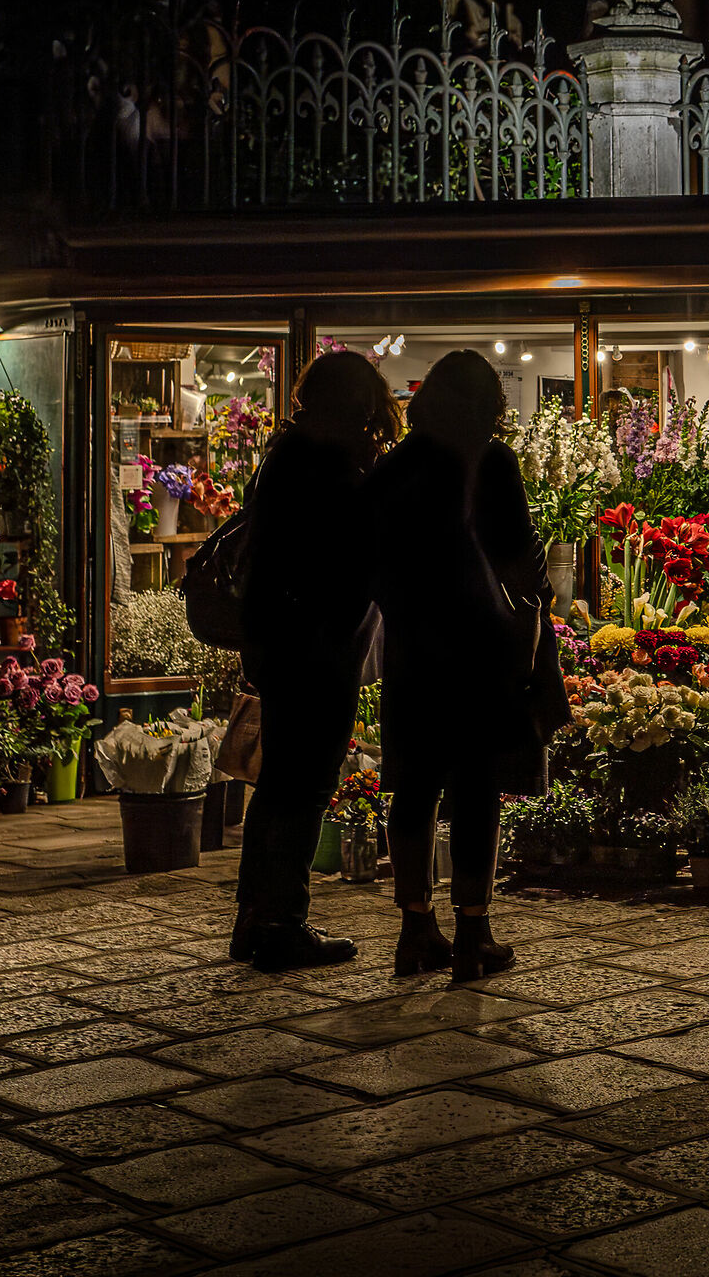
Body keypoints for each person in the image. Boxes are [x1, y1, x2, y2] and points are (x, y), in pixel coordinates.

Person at [366, 350, 565, 981]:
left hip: (413, 653)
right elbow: (517, 557)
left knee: (415, 786)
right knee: (475, 788)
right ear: (487, 405)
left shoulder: (394, 465)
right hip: (482, 653)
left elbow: (369, 558)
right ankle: (473, 931)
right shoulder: (490, 459)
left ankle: (414, 928)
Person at [227, 349, 398, 972]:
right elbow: (352, 563)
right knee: (305, 782)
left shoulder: (286, 456)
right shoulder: (336, 468)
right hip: (319, 644)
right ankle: (281, 924)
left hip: (279, 638)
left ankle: (256, 916)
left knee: (279, 782)